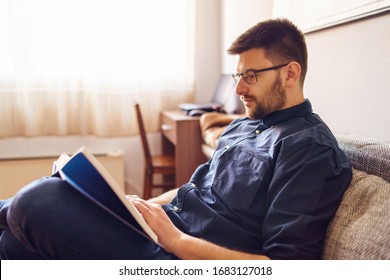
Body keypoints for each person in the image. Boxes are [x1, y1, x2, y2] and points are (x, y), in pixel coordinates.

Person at [0, 18, 352, 260]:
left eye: (251, 76)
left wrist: (176, 240)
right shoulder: (242, 126)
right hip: (159, 231)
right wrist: (141, 206)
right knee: (16, 237)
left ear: (290, 73)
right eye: (237, 75)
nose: (239, 89)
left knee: (36, 201)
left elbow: (283, 267)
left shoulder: (309, 149)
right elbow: (197, 190)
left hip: (177, 256)